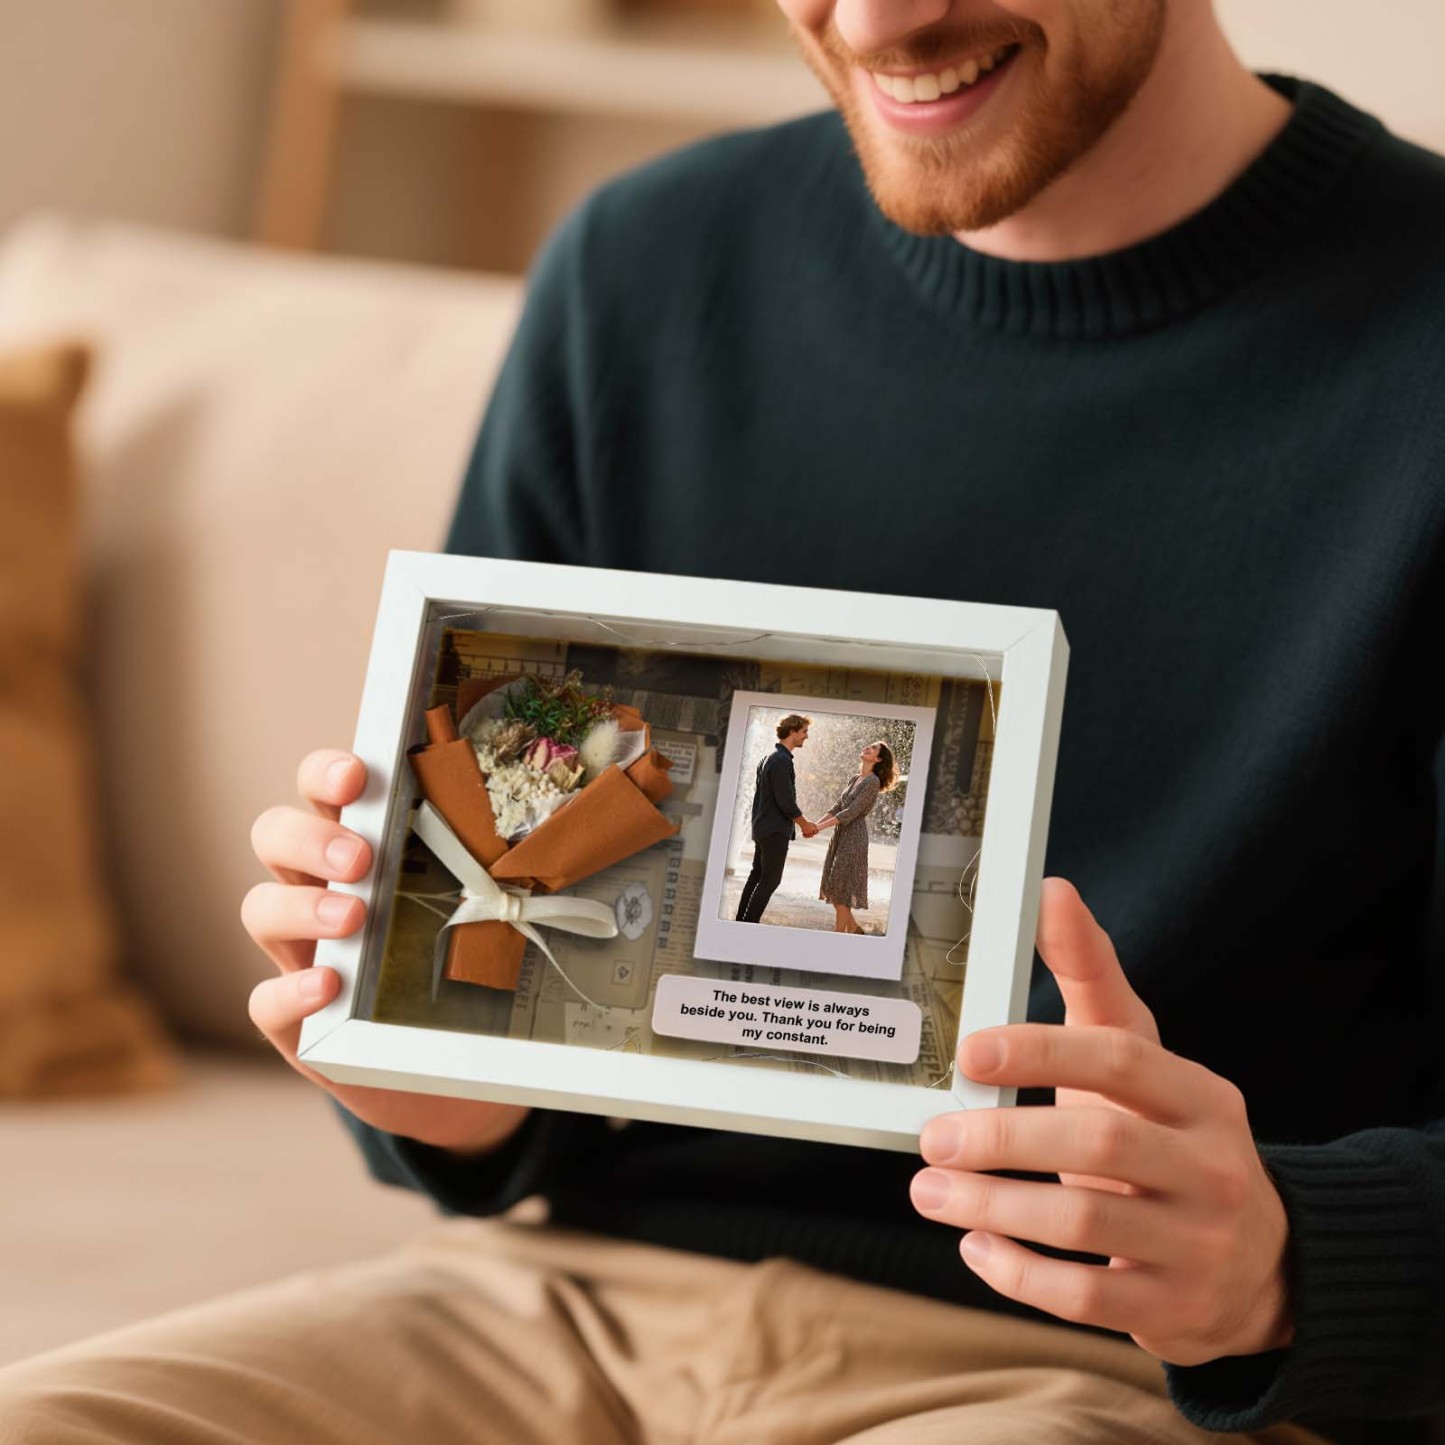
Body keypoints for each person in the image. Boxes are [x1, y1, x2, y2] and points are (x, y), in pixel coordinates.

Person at [3, 0, 1443, 1439]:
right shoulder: (641, 267)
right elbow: (524, 998)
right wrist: (435, 1066)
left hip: (1106, 1374)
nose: (877, 19)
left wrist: (1284, 1262)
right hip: (553, 1306)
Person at [735, 712, 819, 924]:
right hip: (774, 830)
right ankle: (749, 923)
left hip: (763, 828)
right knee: (770, 880)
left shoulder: (768, 757)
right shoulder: (781, 760)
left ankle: (741, 921)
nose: (806, 737)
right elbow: (785, 801)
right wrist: (804, 824)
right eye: (804, 732)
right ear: (792, 732)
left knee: (757, 876)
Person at [816, 739, 896, 933]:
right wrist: (815, 825)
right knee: (835, 889)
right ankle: (854, 930)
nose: (868, 747)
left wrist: (820, 828)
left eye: (874, 748)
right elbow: (837, 807)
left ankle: (838, 938)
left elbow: (851, 812)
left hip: (854, 838)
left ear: (877, 759)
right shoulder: (855, 778)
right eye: (870, 745)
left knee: (842, 893)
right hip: (840, 836)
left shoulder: (872, 782)